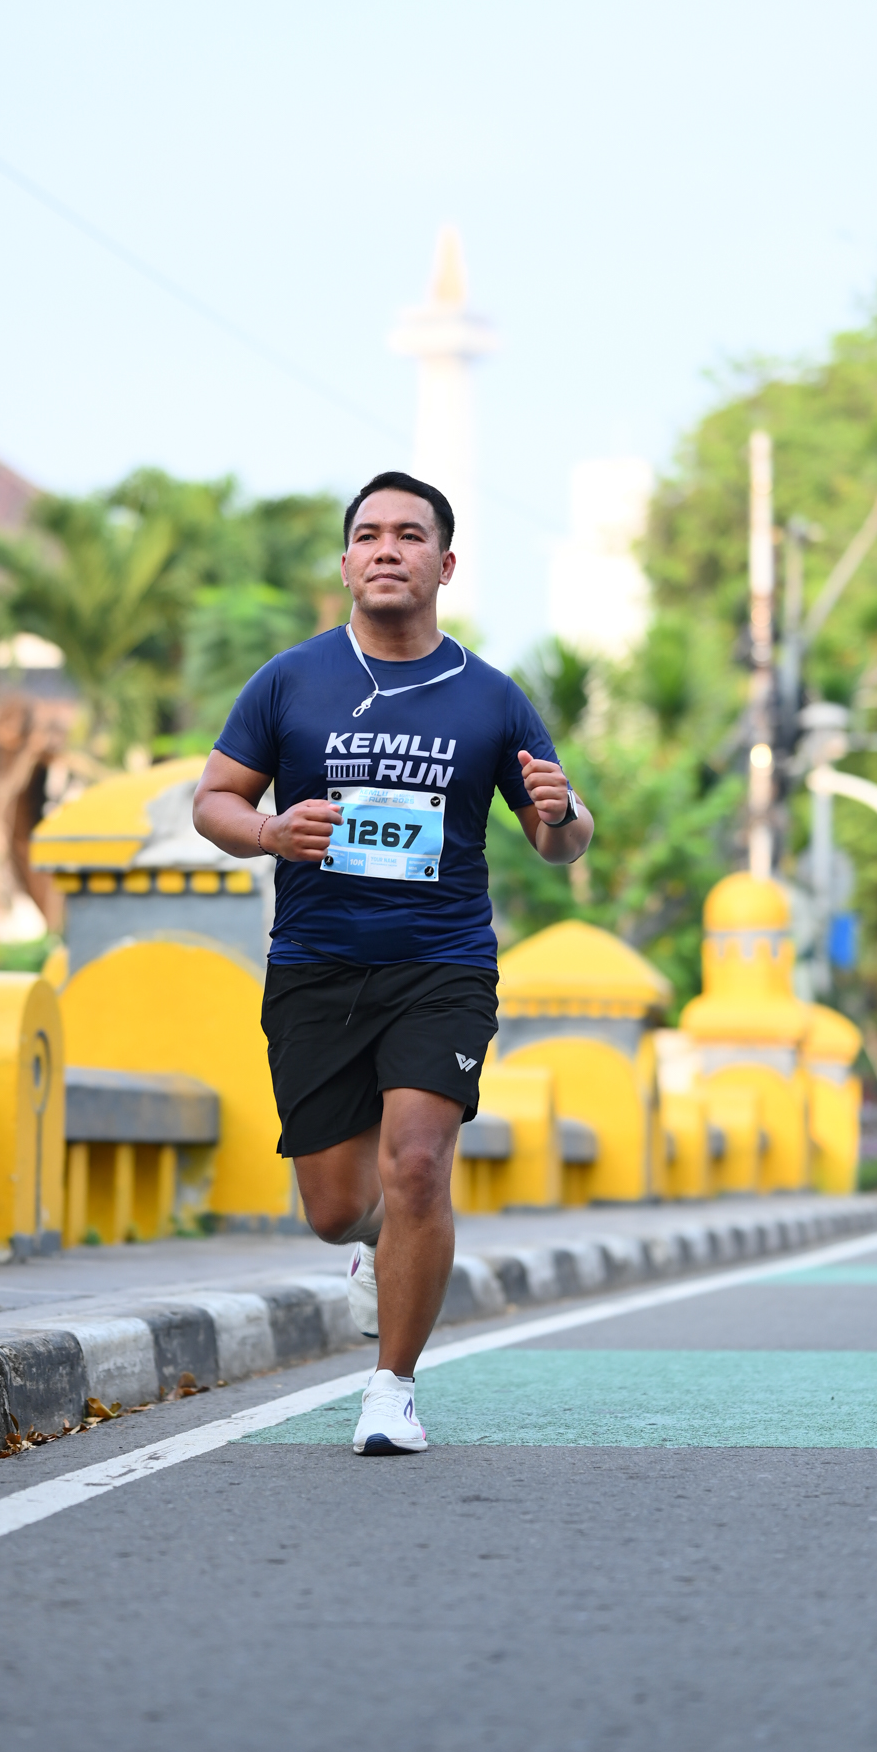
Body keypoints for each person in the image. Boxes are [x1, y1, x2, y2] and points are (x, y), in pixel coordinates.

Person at [193, 471, 593, 1454]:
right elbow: (213, 800)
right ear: (345, 563)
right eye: (368, 534)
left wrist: (562, 811)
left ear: (443, 564)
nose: (386, 548)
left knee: (416, 1164)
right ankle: (380, 1242)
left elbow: (560, 842)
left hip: (441, 965)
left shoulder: (490, 696)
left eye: (408, 535)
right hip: (317, 964)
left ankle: (391, 1389)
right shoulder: (290, 680)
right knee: (336, 1209)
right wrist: (269, 831)